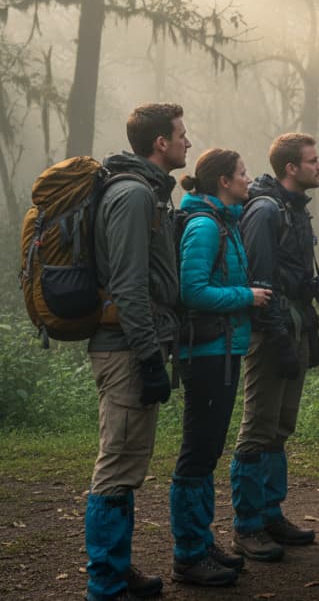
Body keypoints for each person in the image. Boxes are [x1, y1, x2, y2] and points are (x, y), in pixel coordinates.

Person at [85, 104, 190, 601]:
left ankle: (117, 569)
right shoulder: (131, 196)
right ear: (160, 144)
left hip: (137, 345)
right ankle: (104, 583)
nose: (188, 143)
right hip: (126, 349)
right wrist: (149, 357)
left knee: (128, 463)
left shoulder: (150, 194)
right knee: (117, 463)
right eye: (181, 136)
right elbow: (128, 285)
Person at [169, 149, 272, 586]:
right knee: (197, 452)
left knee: (209, 450)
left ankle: (201, 540)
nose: (249, 180)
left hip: (223, 350)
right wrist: (247, 297)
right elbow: (192, 290)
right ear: (223, 182)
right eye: (243, 174)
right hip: (206, 352)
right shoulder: (206, 226)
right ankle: (188, 555)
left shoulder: (224, 223)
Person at [229, 133, 319, 561]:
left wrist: (312, 329)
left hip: (296, 326)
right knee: (257, 428)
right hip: (271, 334)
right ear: (291, 168)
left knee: (281, 426)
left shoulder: (296, 211)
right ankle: (247, 526)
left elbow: (298, 279)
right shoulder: (265, 211)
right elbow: (259, 281)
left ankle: (271, 513)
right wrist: (277, 338)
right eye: (313, 160)